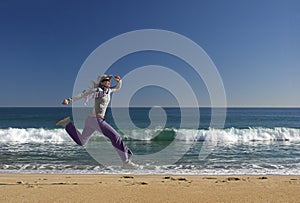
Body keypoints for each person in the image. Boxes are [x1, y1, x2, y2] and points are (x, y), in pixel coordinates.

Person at [56, 74, 138, 169]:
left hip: (92, 120)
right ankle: (126, 162)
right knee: (116, 137)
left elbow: (117, 88)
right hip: (96, 120)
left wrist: (119, 81)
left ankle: (67, 124)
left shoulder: (108, 91)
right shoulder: (97, 90)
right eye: (106, 80)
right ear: (101, 82)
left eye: (109, 80)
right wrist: (69, 100)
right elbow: (83, 94)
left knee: (82, 141)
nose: (108, 81)